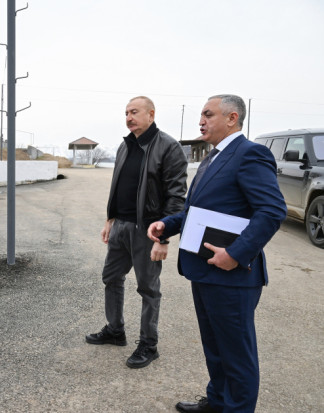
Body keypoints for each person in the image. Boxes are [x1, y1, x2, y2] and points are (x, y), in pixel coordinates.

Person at [147, 95, 286, 412]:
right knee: (215, 348)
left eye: (208, 115)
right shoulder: (212, 157)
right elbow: (195, 211)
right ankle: (217, 401)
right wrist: (167, 225)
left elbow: (271, 210)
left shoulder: (250, 154)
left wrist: (235, 253)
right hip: (205, 271)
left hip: (232, 276)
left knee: (237, 356)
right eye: (201, 115)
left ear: (232, 118)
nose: (201, 121)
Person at [85, 96, 188, 368]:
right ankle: (115, 330)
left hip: (149, 230)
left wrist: (164, 237)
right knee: (111, 277)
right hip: (120, 226)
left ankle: (148, 344)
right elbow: (118, 186)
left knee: (148, 288)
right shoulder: (125, 145)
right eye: (126, 113)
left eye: (134, 112)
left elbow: (176, 196)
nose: (129, 117)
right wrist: (110, 219)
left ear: (151, 115)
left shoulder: (169, 147)